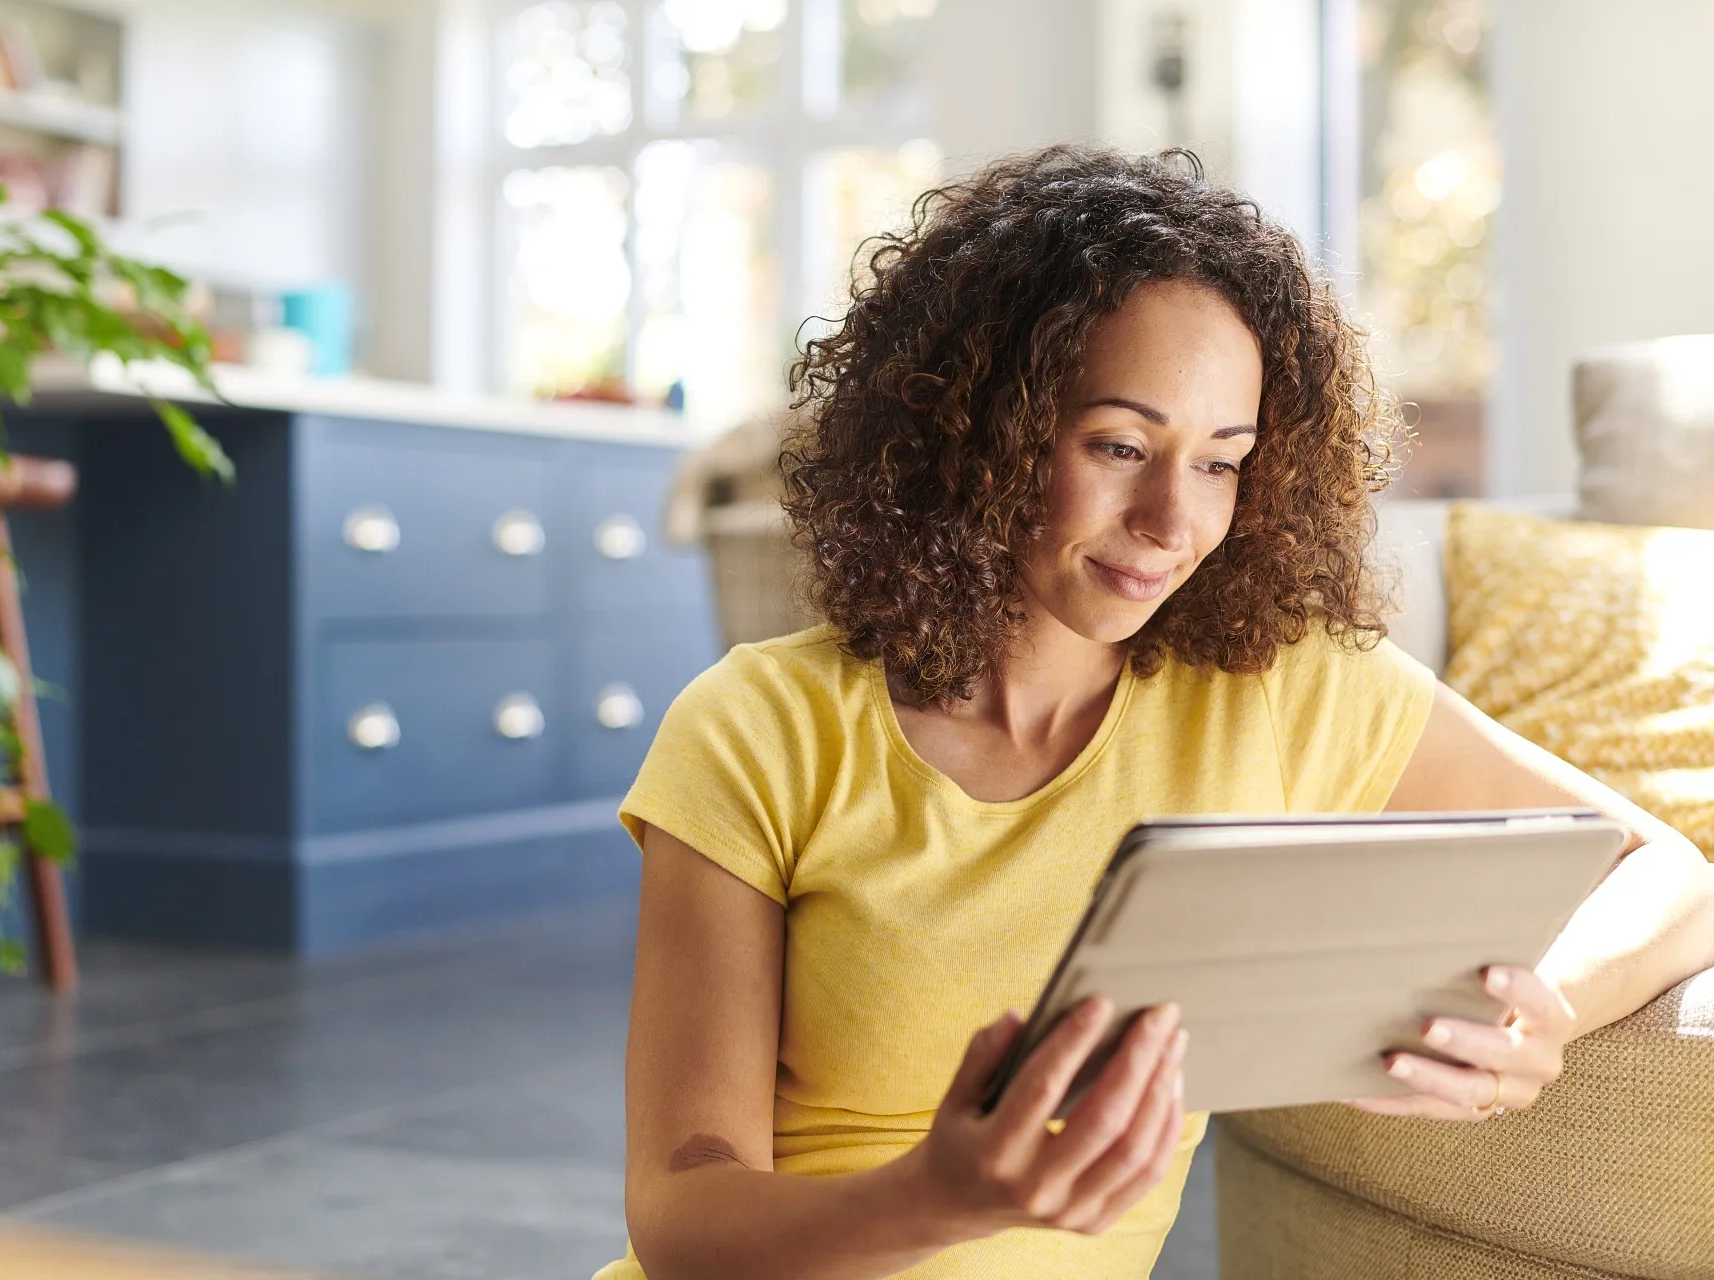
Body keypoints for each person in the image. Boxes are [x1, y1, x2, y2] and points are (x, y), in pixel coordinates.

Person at [593, 146, 1714, 1280]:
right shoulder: (757, 727)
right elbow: (682, 1216)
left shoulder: (1279, 691)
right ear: (979, 427)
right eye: (1120, 446)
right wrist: (938, 1197)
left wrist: (1547, 1011)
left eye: (1223, 463)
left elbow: (1668, 870)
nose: (1173, 519)